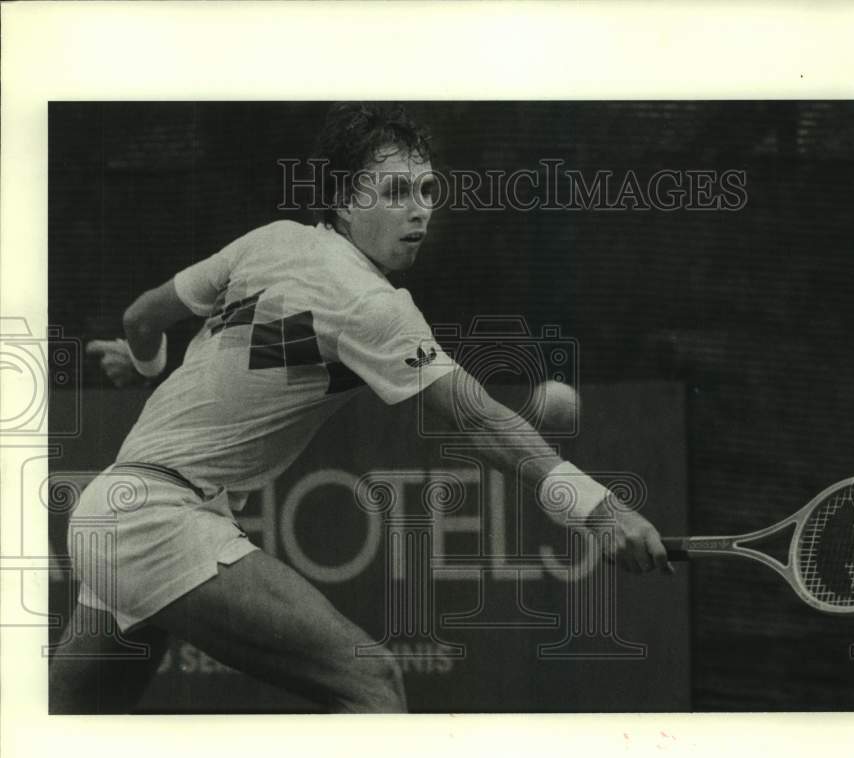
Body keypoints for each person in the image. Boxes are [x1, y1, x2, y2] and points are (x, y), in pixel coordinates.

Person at [50, 103, 670, 714]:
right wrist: (598, 508)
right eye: (395, 191)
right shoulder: (371, 305)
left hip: (109, 511)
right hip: (160, 522)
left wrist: (148, 365)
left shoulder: (272, 242)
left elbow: (141, 318)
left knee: (64, 743)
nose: (419, 208)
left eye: (427, 190)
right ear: (345, 202)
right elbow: (475, 418)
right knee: (371, 683)